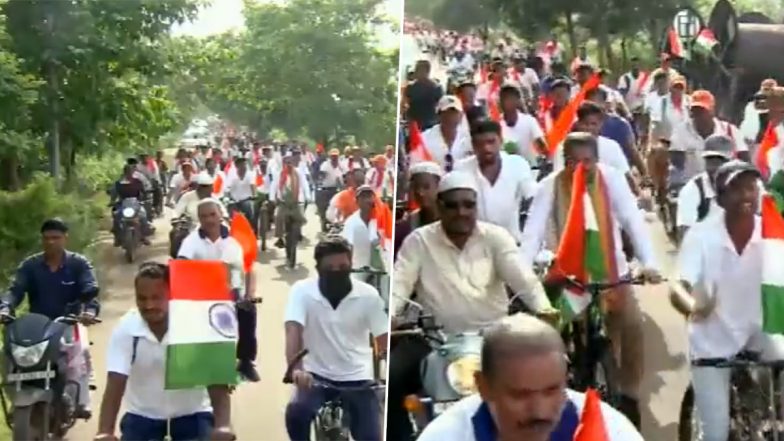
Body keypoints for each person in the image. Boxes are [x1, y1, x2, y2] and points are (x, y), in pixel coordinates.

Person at [388, 171, 558, 441]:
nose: (461, 212)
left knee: (543, 382)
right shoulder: (418, 241)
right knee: (392, 380)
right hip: (432, 340)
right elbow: (400, 283)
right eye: (453, 205)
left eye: (468, 205)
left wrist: (543, 308)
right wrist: (391, 315)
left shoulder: (495, 237)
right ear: (439, 206)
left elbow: (522, 277)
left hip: (494, 339)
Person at [519, 132, 662, 427]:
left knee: (634, 325)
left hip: (612, 274)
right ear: (564, 161)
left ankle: (631, 395)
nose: (580, 168)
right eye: (573, 162)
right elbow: (532, 233)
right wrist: (522, 271)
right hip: (567, 275)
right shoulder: (550, 186)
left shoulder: (612, 181)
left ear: (597, 160)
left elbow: (633, 222)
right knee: (545, 335)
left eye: (587, 161)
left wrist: (650, 263)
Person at [671, 160, 783, 441]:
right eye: (736, 189)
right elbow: (677, 287)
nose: (746, 195)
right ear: (719, 197)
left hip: (761, 333)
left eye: (751, 188)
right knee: (716, 433)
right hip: (712, 342)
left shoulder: (771, 232)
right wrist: (693, 307)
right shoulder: (701, 236)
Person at [416, 314, 643, 441]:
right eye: (520, 395)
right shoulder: (446, 435)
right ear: (483, 386)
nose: (539, 412)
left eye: (552, 390)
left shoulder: (610, 430)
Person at [93, 262, 233, 441]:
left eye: (156, 297)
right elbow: (115, 383)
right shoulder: (127, 329)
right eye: (142, 299)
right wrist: (105, 431)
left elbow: (216, 381)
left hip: (193, 415)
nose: (149, 305)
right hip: (142, 419)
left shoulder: (195, 323)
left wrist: (223, 425)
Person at [284, 237, 388, 441]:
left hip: (359, 380)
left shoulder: (368, 296)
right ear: (318, 268)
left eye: (342, 266)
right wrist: (296, 369)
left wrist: (386, 364)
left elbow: (383, 338)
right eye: (329, 268)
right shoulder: (302, 291)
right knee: (296, 412)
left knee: (372, 436)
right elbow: (293, 330)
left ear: (351, 265)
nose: (337, 271)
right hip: (315, 377)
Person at [2, 218, 99, 418]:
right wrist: (4, 307)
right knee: (7, 353)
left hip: (68, 323)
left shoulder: (78, 263)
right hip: (37, 326)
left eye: (56, 238)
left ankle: (79, 401)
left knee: (79, 350)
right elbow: (14, 290)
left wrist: (89, 311)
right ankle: (16, 398)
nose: (51, 242)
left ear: (65, 238)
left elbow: (90, 289)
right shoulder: (30, 265)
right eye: (47, 238)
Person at [177, 199, 259, 382]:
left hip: (233, 293)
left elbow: (249, 268)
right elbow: (182, 263)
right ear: (199, 218)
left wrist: (250, 294)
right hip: (203, 294)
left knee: (248, 313)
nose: (209, 220)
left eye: (212, 214)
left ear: (220, 214)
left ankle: (246, 361)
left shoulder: (236, 237)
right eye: (204, 216)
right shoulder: (191, 241)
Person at [454, 119, 536, 242]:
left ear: (501, 140)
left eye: (491, 142)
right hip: (474, 243)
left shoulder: (517, 164)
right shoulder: (461, 168)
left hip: (511, 241)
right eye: (480, 144)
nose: (486, 148)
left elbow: (532, 198)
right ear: (473, 145)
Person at [670, 90, 749, 180]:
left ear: (712, 111)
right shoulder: (681, 131)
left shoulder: (729, 130)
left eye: (702, 111)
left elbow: (744, 159)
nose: (698, 115)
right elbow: (676, 165)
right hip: (692, 184)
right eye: (695, 111)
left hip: (724, 185)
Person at [675, 134, 734, 242]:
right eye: (710, 160)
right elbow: (685, 235)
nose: (715, 167)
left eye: (720, 161)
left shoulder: (746, 186)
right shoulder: (692, 190)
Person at [394, 162, 442, 257]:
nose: (420, 193)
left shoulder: (451, 220)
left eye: (426, 187)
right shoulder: (407, 225)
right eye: (416, 187)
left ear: (438, 187)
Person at [341, 185, 384, 282]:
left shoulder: (380, 219)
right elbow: (347, 247)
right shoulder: (351, 222)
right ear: (357, 201)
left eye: (369, 196)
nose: (367, 200)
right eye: (363, 197)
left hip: (380, 269)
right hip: (358, 269)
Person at [497, 83, 547, 164]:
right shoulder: (497, 124)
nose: (508, 102)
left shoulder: (529, 120)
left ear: (517, 100)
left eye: (511, 98)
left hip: (530, 167)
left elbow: (541, 145)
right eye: (504, 99)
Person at [420, 95, 473, 171]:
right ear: (439, 115)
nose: (450, 117)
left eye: (454, 113)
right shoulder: (425, 138)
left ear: (461, 115)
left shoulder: (469, 138)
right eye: (446, 113)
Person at [274, 153, 311, 248]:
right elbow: (275, 187)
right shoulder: (280, 174)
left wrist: (307, 196)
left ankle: (298, 232)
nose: (288, 164)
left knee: (301, 217)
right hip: (284, 202)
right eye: (286, 162)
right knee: (278, 216)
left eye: (290, 162)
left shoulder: (298, 173)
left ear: (293, 163)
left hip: (297, 201)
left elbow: (304, 185)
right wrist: (274, 198)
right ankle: (280, 238)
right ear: (283, 164)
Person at [110, 164, 153, 246]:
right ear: (124, 172)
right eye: (127, 171)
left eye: (130, 171)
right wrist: (112, 201)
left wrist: (146, 197)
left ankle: (143, 236)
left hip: (136, 203)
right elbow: (114, 193)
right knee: (116, 217)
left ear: (133, 172)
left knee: (143, 216)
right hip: (123, 204)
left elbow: (143, 192)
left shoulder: (137, 182)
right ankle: (117, 237)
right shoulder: (119, 183)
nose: (129, 173)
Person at [405, 59, 444, 131]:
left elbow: (441, 107)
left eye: (418, 70)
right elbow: (405, 104)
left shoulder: (436, 88)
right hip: (415, 124)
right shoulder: (410, 87)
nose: (416, 72)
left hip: (429, 124)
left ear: (426, 71)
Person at [224, 156, 257, 226]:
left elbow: (253, 185)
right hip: (234, 201)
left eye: (244, 164)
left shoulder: (250, 174)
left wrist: (254, 195)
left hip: (246, 199)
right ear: (236, 166)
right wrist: (227, 198)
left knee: (249, 208)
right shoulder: (232, 174)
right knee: (230, 212)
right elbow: (227, 188)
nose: (243, 166)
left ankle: (252, 230)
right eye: (241, 164)